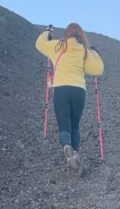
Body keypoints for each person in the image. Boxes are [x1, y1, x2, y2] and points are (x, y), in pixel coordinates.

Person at [35, 23, 104, 169]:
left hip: (61, 88)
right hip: (79, 90)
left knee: (64, 123)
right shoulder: (84, 51)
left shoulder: (57, 46)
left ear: (67, 33)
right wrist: (95, 54)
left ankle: (67, 147)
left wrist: (47, 32)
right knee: (75, 124)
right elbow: (98, 69)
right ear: (81, 35)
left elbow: (39, 44)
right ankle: (76, 153)